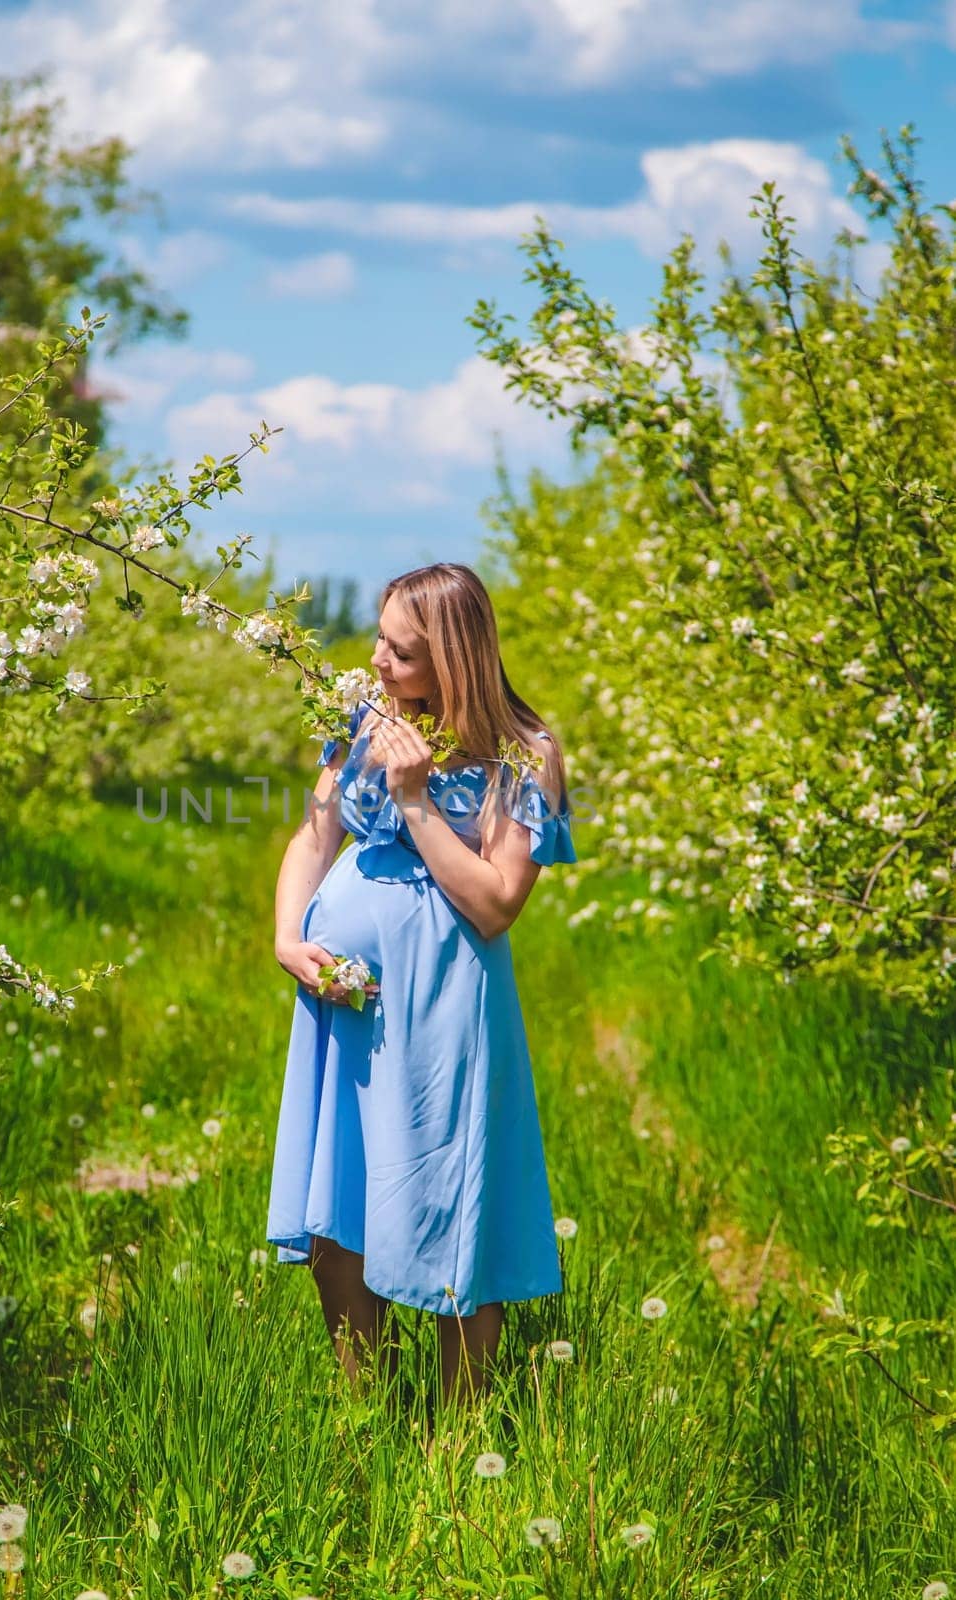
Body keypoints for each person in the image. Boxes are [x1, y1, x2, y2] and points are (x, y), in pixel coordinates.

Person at [267, 563, 577, 1429]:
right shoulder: (363, 715)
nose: (376, 662)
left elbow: (495, 905)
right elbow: (315, 833)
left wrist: (414, 800)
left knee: (448, 1195)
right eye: (378, 639)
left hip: (444, 1003)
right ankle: (364, 1411)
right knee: (340, 1200)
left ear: (455, 659)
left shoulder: (525, 754)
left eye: (401, 654)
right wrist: (292, 939)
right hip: (345, 997)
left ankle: (459, 1435)